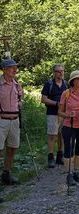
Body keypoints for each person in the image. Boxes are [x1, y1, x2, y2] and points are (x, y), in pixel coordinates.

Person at [0, 59, 23, 189]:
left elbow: (20, 98)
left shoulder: (16, 84)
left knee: (12, 148)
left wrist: (21, 102)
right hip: (1, 120)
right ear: (4, 69)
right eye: (11, 68)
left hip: (15, 120)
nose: (15, 70)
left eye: (15, 68)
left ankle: (6, 174)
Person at [41, 64, 67, 168]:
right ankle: (50, 158)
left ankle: (60, 156)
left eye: (62, 71)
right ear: (54, 72)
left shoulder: (65, 84)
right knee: (52, 135)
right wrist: (56, 103)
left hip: (63, 114)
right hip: (52, 113)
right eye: (58, 71)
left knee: (62, 135)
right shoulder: (49, 84)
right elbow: (43, 99)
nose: (60, 73)